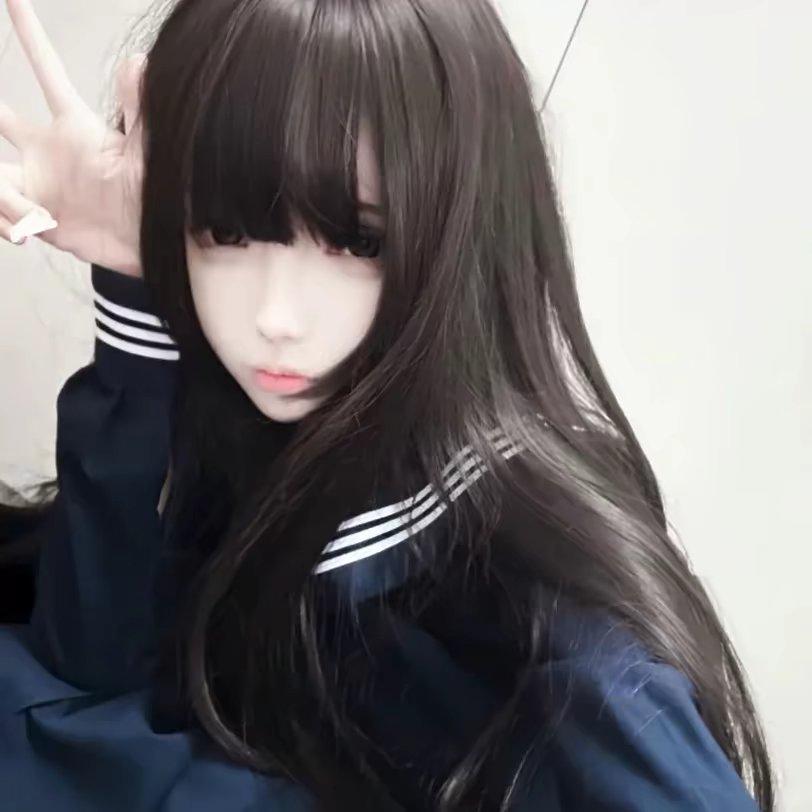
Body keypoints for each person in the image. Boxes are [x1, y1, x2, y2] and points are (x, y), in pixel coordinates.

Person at [0, 0, 774, 809]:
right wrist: (136, 277)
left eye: (357, 242)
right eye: (224, 231)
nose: (275, 316)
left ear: (464, 229)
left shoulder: (537, 606)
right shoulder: (260, 425)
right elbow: (88, 662)